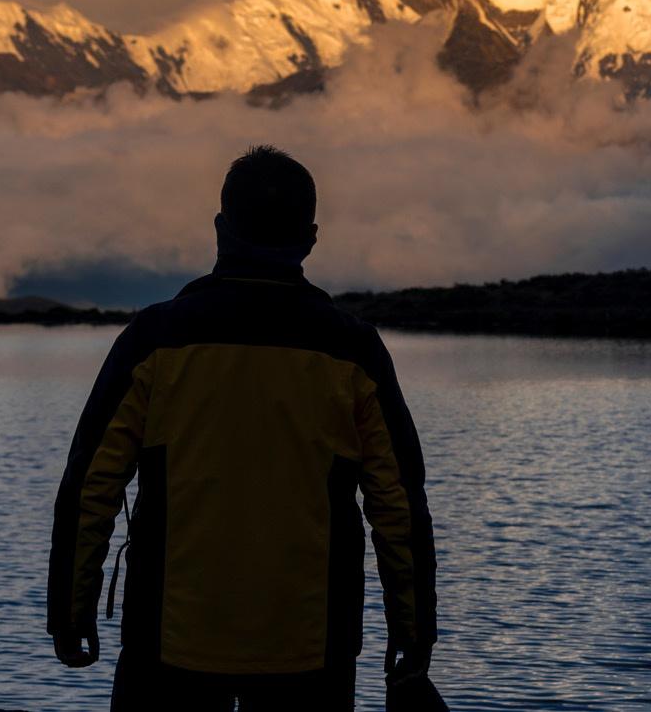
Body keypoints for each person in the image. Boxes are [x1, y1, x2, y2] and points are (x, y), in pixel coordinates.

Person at [48, 146, 437, 705]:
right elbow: (396, 507)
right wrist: (413, 631)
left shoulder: (154, 341)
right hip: (311, 653)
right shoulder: (353, 352)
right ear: (310, 238)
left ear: (220, 231)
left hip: (168, 647)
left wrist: (71, 610)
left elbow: (92, 487)